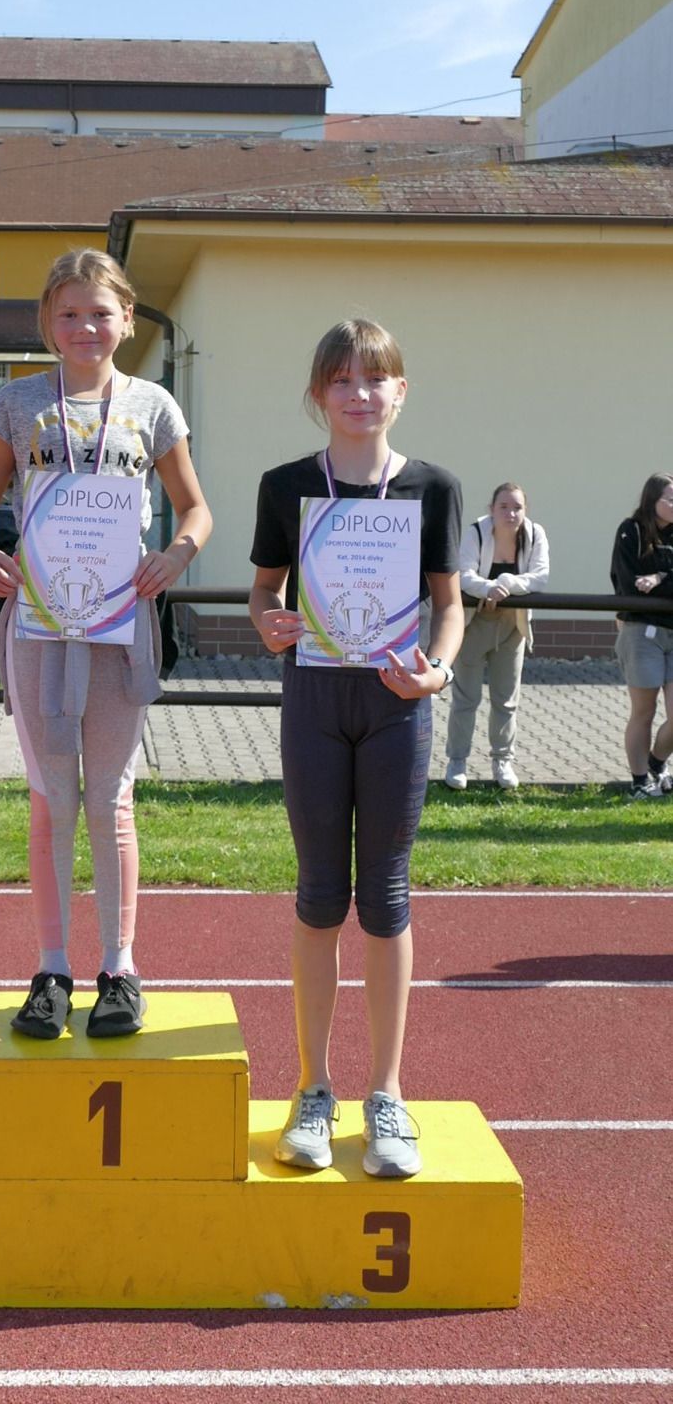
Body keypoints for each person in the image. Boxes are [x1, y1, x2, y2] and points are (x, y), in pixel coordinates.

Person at [0, 248, 212, 1040]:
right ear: (46, 321)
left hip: (117, 624)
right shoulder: (18, 403)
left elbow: (196, 508)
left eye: (100, 313)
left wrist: (177, 555)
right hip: (39, 622)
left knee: (110, 797)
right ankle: (51, 968)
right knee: (51, 799)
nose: (85, 327)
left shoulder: (153, 405)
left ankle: (119, 968)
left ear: (127, 319)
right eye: (68, 313)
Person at [249, 317, 462, 1179]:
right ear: (318, 394)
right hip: (314, 699)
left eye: (374, 379)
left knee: (386, 895)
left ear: (400, 391)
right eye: (341, 380)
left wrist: (438, 671)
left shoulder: (434, 487)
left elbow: (449, 604)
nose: (359, 394)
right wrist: (269, 622)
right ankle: (313, 1088)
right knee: (318, 895)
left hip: (395, 706)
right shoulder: (286, 485)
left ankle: (387, 1094)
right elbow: (264, 593)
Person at [444, 483, 550, 792]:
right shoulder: (476, 532)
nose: (511, 513)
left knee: (506, 699)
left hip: (512, 626)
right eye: (504, 506)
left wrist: (505, 582)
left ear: (525, 511)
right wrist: (488, 588)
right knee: (466, 698)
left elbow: (540, 577)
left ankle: (503, 761)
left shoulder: (535, 534)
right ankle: (457, 761)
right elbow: (463, 575)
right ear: (492, 509)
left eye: (517, 507)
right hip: (474, 624)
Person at [610, 473, 673, 799]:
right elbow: (628, 583)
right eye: (671, 499)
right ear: (652, 500)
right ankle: (639, 782)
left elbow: (651, 585)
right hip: (641, 632)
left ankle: (656, 761)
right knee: (644, 711)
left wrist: (658, 578)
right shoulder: (630, 530)